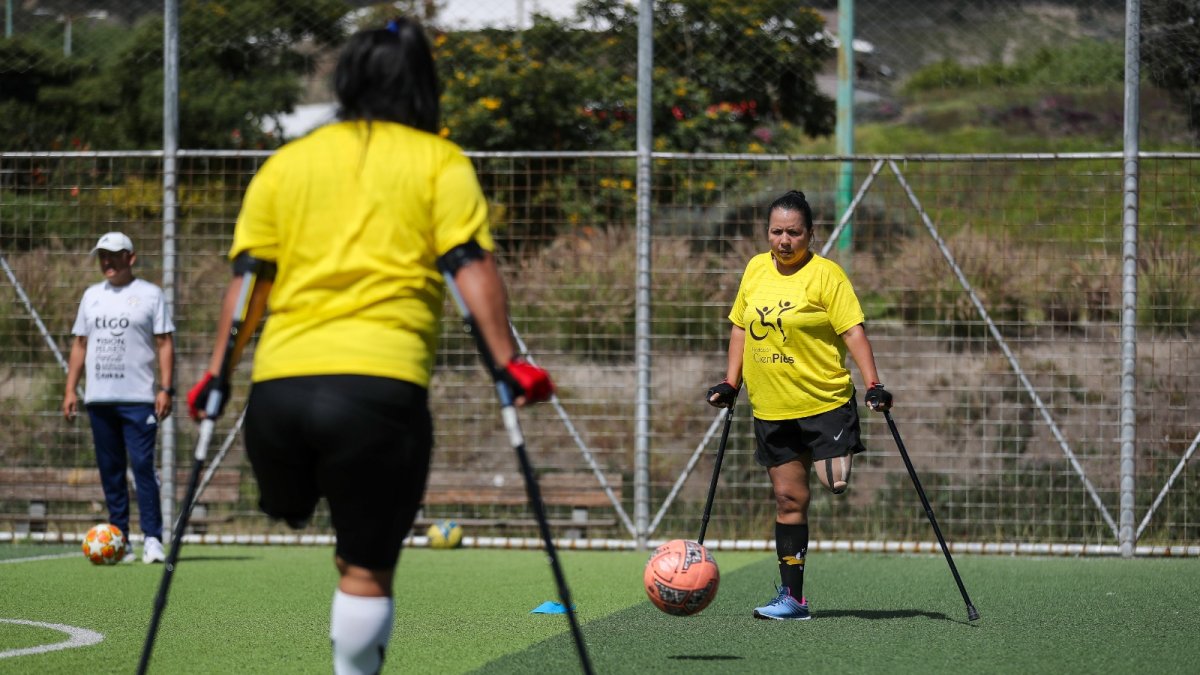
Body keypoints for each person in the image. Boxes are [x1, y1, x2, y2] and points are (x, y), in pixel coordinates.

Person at [185, 18, 554, 675]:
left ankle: (297, 506)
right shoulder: (439, 161)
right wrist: (509, 363)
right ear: (423, 84)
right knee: (366, 562)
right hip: (379, 392)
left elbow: (250, 281)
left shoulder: (287, 162)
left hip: (278, 398)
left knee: (298, 510)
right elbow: (469, 265)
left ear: (347, 78)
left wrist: (216, 373)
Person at [706, 190, 892, 621]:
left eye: (794, 232)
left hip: (824, 401)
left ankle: (835, 450)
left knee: (835, 484)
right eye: (776, 232)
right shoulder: (755, 268)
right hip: (772, 407)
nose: (784, 241)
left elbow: (853, 332)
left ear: (810, 234)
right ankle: (793, 599)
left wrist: (874, 384)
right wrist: (730, 382)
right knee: (788, 500)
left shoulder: (827, 276)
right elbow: (739, 327)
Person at [63, 231, 173, 565]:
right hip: (100, 398)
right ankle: (120, 539)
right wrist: (70, 388)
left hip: (139, 399)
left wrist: (165, 388)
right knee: (110, 470)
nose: (107, 261)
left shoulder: (151, 295)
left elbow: (164, 342)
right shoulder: (91, 296)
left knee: (142, 466)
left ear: (131, 257)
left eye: (113, 255)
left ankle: (152, 538)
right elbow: (80, 344)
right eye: (102, 255)